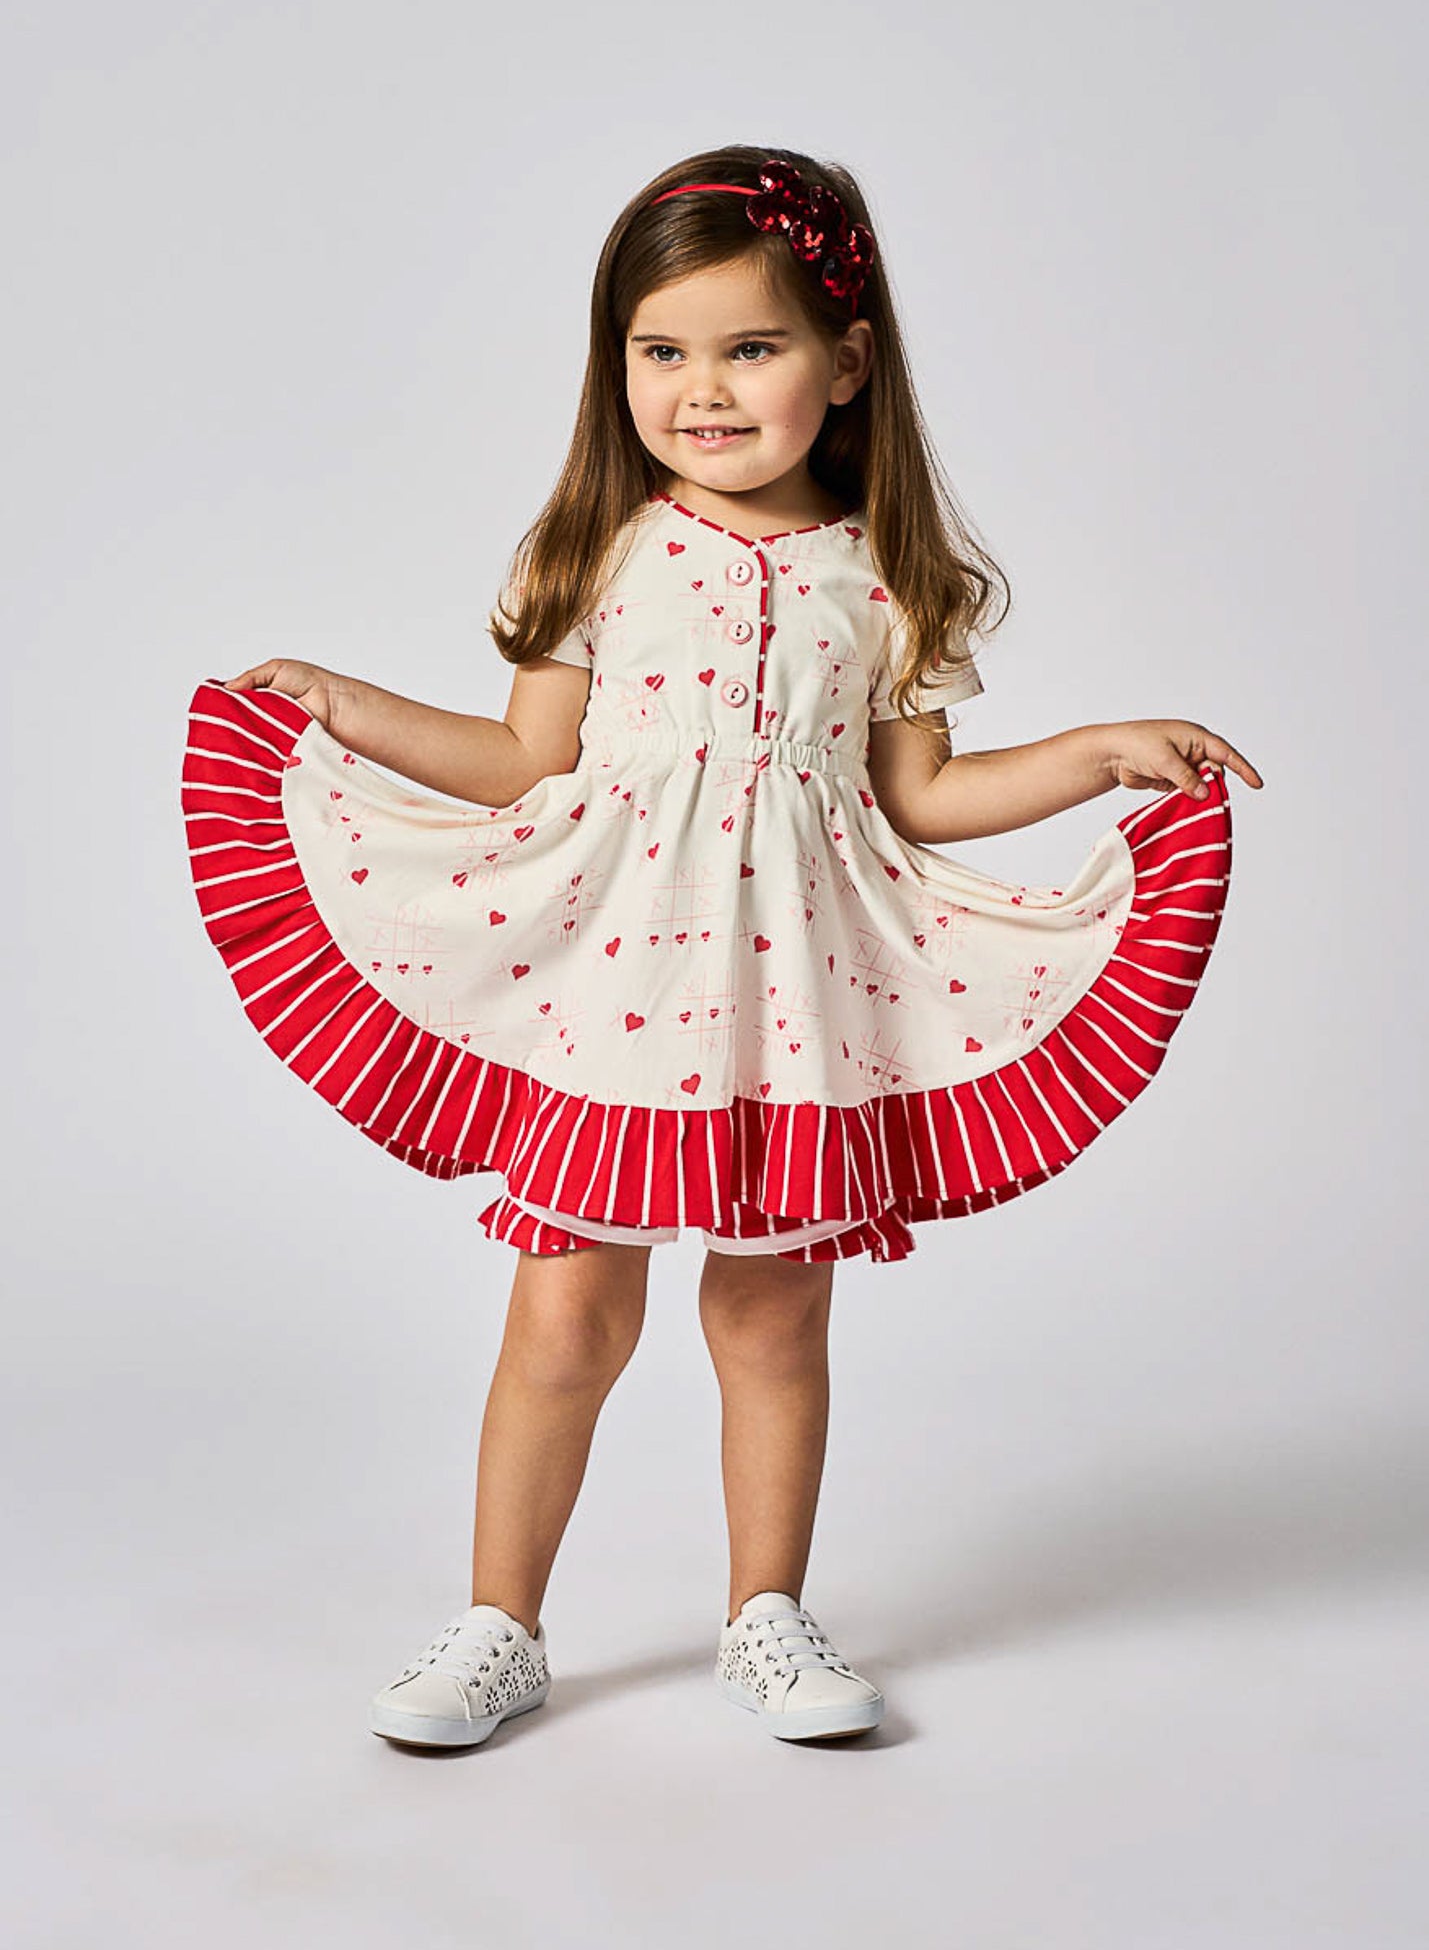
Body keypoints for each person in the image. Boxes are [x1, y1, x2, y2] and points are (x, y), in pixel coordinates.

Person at [181, 145, 1263, 1752]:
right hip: (616, 995)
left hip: (793, 1006)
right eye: (661, 351)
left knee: (771, 1318)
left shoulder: (887, 581)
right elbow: (523, 761)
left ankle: (765, 1615)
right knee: (564, 1319)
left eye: (749, 348)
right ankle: (500, 1627)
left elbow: (922, 795)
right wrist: (349, 708)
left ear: (845, 360)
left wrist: (1094, 754)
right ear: (615, 363)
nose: (701, 390)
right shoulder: (598, 555)